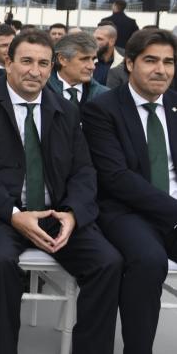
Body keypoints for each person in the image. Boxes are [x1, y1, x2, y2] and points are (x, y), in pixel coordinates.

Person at [0, 28, 123, 354]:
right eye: (26, 61)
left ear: (52, 67)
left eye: (43, 63)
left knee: (108, 262)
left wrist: (73, 215)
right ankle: (6, 348)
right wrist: (14, 216)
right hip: (3, 214)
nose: (34, 71)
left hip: (55, 214)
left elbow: (83, 169)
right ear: (7, 62)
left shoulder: (65, 110)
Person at [82, 28, 177, 354]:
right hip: (125, 211)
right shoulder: (102, 109)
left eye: (168, 62)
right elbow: (116, 177)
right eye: (151, 60)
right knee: (149, 260)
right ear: (130, 64)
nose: (161, 70)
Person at [47, 32, 109, 110]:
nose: (92, 66)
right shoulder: (40, 91)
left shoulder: (104, 95)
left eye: (93, 59)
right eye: (84, 59)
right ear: (62, 59)